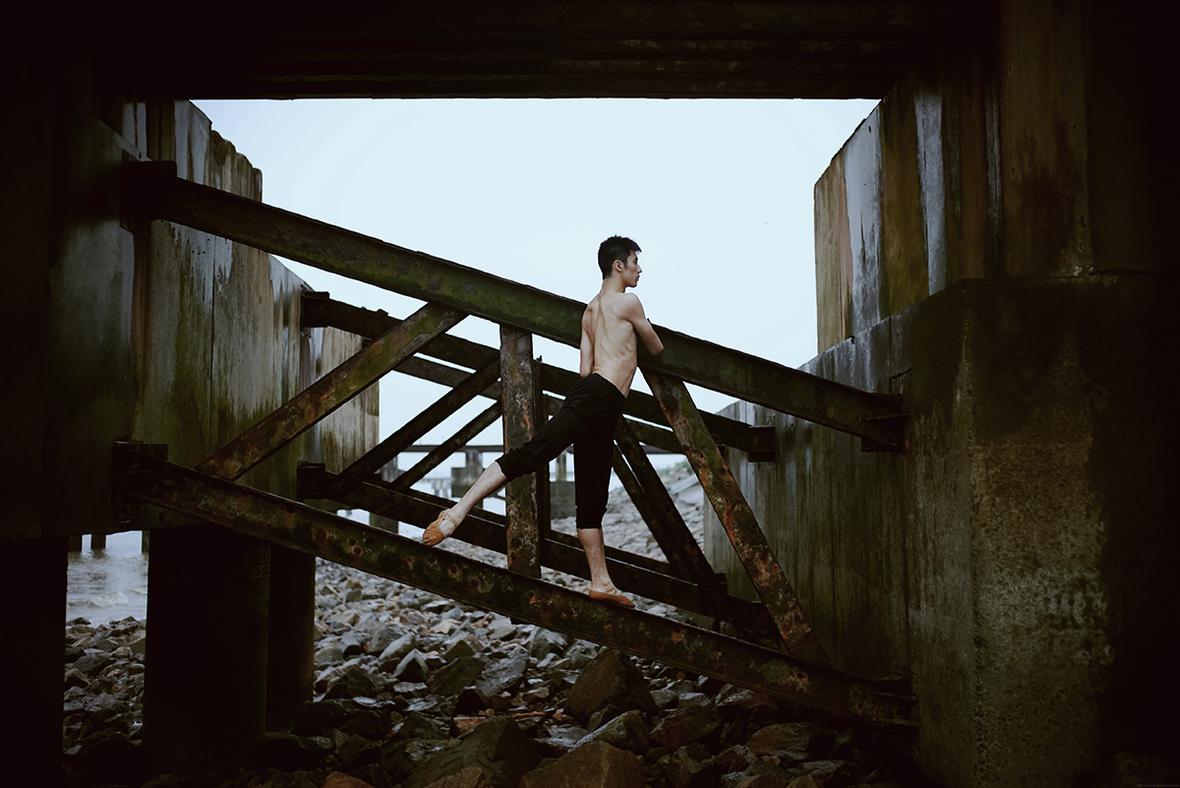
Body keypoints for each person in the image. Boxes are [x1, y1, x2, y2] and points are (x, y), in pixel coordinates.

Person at [421, 235, 664, 608]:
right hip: (602, 398)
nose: (640, 270)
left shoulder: (589, 311)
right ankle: (455, 513)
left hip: (596, 400)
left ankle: (601, 582)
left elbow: (584, 369)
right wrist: (638, 335)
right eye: (635, 263)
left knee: (589, 494)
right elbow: (656, 347)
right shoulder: (629, 303)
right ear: (619, 265)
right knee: (537, 457)